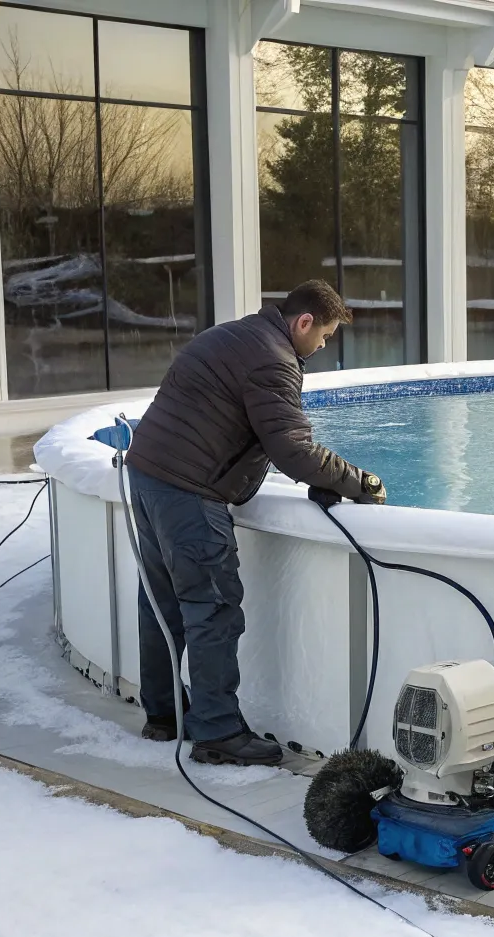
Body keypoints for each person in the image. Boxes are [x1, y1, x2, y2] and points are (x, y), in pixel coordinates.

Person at [123, 279, 386, 766]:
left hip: (148, 476)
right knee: (213, 612)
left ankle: (163, 716)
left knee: (162, 604)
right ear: (303, 322)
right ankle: (219, 734)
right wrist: (359, 482)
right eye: (325, 335)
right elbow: (292, 448)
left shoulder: (235, 334)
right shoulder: (273, 360)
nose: (324, 346)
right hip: (188, 493)